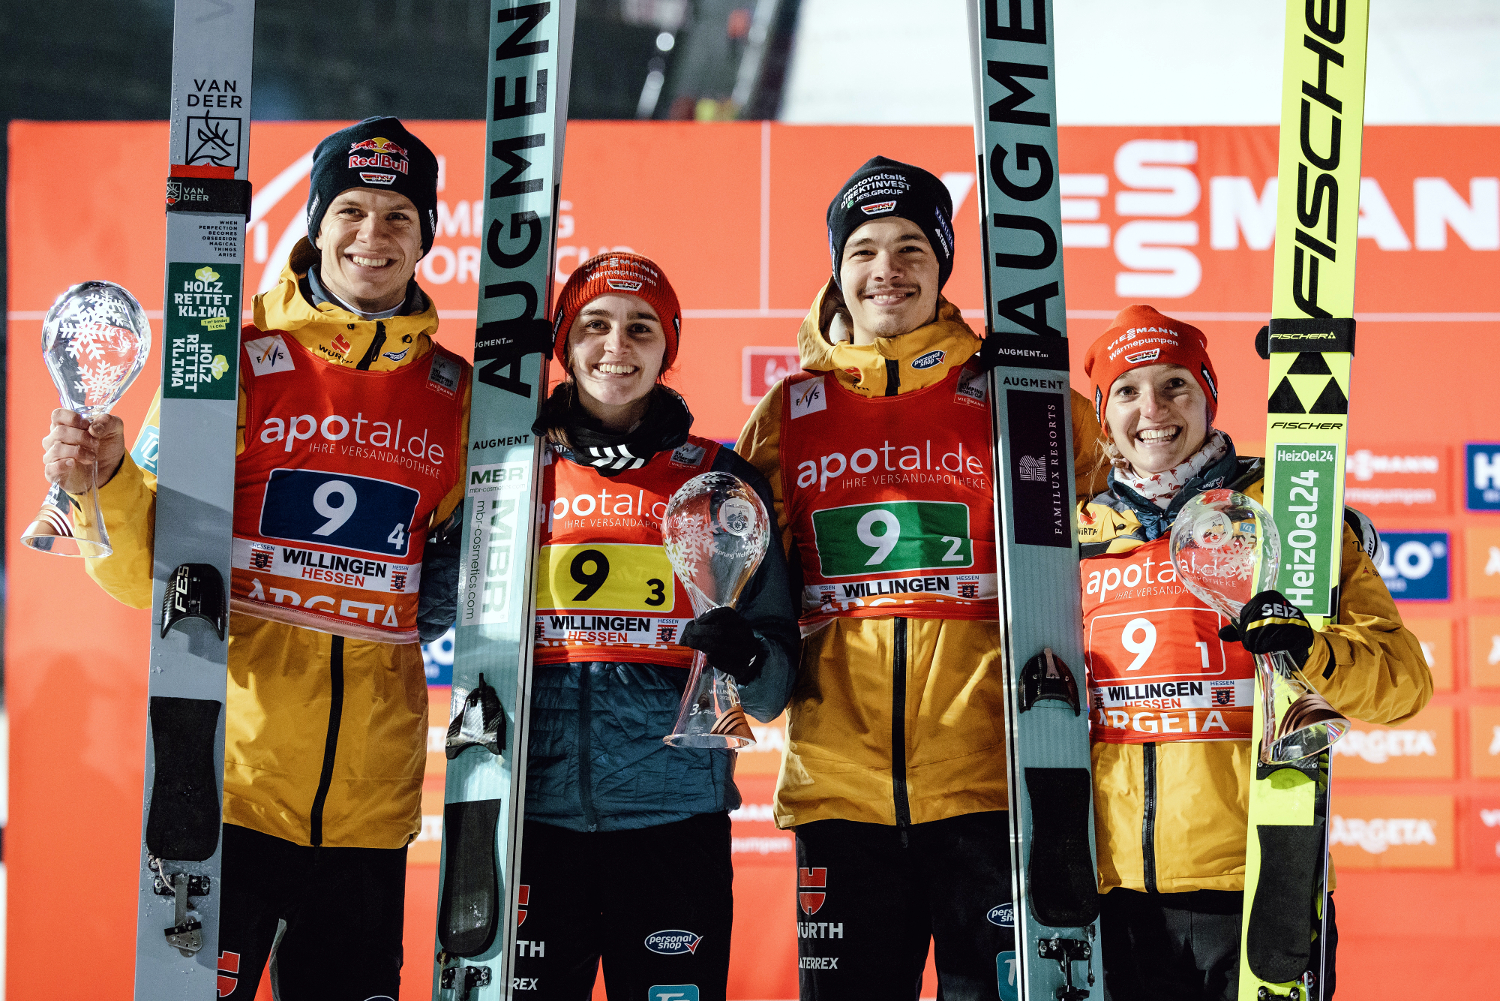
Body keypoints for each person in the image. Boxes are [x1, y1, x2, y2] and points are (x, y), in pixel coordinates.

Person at [43, 117, 464, 1000]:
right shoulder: (227, 362)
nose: (374, 235)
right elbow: (142, 573)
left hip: (371, 807)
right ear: (316, 224)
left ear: (428, 234)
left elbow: (459, 588)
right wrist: (102, 481)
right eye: (351, 210)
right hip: (227, 789)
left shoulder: (456, 396)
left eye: (399, 215)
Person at [736, 156, 1107, 1001]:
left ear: (943, 264)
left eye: (912, 246)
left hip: (993, 784)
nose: (888, 269)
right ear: (838, 268)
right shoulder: (788, 413)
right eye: (863, 249)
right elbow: (754, 594)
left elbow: (1125, 528)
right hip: (840, 793)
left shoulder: (1017, 396)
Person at [1077, 305, 1433, 1000]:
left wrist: (1309, 648)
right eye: (1127, 390)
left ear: (1208, 394)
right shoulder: (1074, 532)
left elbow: (1403, 681)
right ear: (1104, 413)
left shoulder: (1288, 511)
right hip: (1112, 892)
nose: (1153, 409)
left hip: (1260, 879)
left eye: (1175, 384)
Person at [514, 252, 798, 1001]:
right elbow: (440, 609)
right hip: (530, 819)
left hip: (674, 823)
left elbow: (771, 692)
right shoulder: (511, 468)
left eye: (641, 327)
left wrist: (746, 656)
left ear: (668, 347)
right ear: (564, 344)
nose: (617, 345)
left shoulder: (720, 482)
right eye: (594, 325)